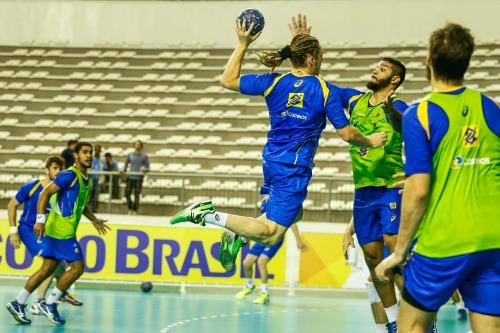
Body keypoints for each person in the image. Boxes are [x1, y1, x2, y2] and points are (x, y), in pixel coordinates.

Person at [170, 18, 387, 272]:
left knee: (296, 215)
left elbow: (227, 80)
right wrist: (371, 141)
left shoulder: (274, 82)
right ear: (312, 60)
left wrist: (243, 43)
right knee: (272, 233)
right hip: (293, 169)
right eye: (320, 57)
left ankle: (238, 233)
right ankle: (207, 215)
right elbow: (348, 134)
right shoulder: (325, 90)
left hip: (272, 161)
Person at [375, 23, 500, 333]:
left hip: (445, 243)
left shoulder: (420, 113)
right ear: (467, 61)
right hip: (493, 240)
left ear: (429, 60)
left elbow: (418, 193)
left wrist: (400, 253)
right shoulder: (491, 107)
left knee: (412, 326)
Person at [290, 14, 408, 332]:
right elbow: (318, 84)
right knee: (373, 260)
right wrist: (303, 48)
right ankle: (395, 323)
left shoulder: (401, 108)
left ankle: (423, 320)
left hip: (391, 189)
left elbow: (421, 131)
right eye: (376, 66)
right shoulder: (354, 100)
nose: (375, 70)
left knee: (394, 247)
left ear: (394, 79)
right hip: (364, 192)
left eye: (382, 68)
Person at [6, 142, 110, 325]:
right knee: (78, 268)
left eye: (91, 153)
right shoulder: (70, 175)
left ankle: (18, 302)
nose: (89, 156)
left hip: (58, 230)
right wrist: (39, 220)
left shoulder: (84, 178)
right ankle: (51, 303)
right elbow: (45, 192)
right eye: (85, 152)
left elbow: (80, 205)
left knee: (48, 269)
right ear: (76, 156)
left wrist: (93, 219)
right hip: (61, 233)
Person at [235, 193, 307, 305]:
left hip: (275, 238)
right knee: (246, 263)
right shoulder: (264, 202)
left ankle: (264, 294)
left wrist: (299, 240)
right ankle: (249, 286)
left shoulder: (280, 200)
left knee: (261, 262)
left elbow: (292, 223)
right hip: (263, 236)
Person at [123, 140, 150, 215]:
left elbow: (148, 168)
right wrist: (123, 169)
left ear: (141, 146)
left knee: (136, 194)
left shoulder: (144, 156)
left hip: (139, 178)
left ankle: (135, 210)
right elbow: (125, 165)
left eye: (138, 144)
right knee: (127, 193)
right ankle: (130, 207)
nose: (137, 146)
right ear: (134, 145)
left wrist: (144, 170)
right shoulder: (130, 155)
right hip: (130, 177)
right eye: (136, 144)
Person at [89, 144, 102, 213]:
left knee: (96, 195)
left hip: (98, 179)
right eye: (96, 150)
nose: (97, 151)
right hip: (91, 178)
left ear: (100, 150)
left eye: (98, 150)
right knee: (90, 194)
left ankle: (94, 210)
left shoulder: (102, 159)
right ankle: (88, 210)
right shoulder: (91, 158)